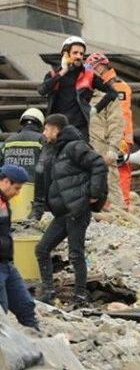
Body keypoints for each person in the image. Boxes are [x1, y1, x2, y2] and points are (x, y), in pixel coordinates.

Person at [35, 114, 108, 309]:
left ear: (55, 130)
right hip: (62, 213)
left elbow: (99, 164)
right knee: (42, 249)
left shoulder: (74, 146)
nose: (44, 133)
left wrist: (93, 194)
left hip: (77, 210)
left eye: (46, 129)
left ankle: (80, 298)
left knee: (76, 254)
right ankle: (49, 292)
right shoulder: (55, 150)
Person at [37, 36, 118, 141]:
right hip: (56, 129)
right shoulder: (53, 75)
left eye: (81, 53)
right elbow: (42, 90)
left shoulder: (89, 75)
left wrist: (95, 109)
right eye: (75, 53)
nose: (79, 56)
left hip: (79, 129)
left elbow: (112, 92)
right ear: (65, 54)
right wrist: (62, 72)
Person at [85, 51, 133, 209]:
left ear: (99, 68)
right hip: (113, 138)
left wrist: (119, 142)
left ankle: (122, 208)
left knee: (118, 175)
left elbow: (121, 116)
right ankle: (111, 207)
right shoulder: (103, 88)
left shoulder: (117, 87)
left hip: (118, 138)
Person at [0, 165, 40, 330]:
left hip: (6, 263)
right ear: (6, 181)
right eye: (16, 188)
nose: (18, 193)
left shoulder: (4, 202)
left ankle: (38, 343)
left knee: (25, 306)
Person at [0, 109, 45, 220]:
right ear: (40, 124)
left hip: (9, 189)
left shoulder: (8, 141)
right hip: (34, 190)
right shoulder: (41, 140)